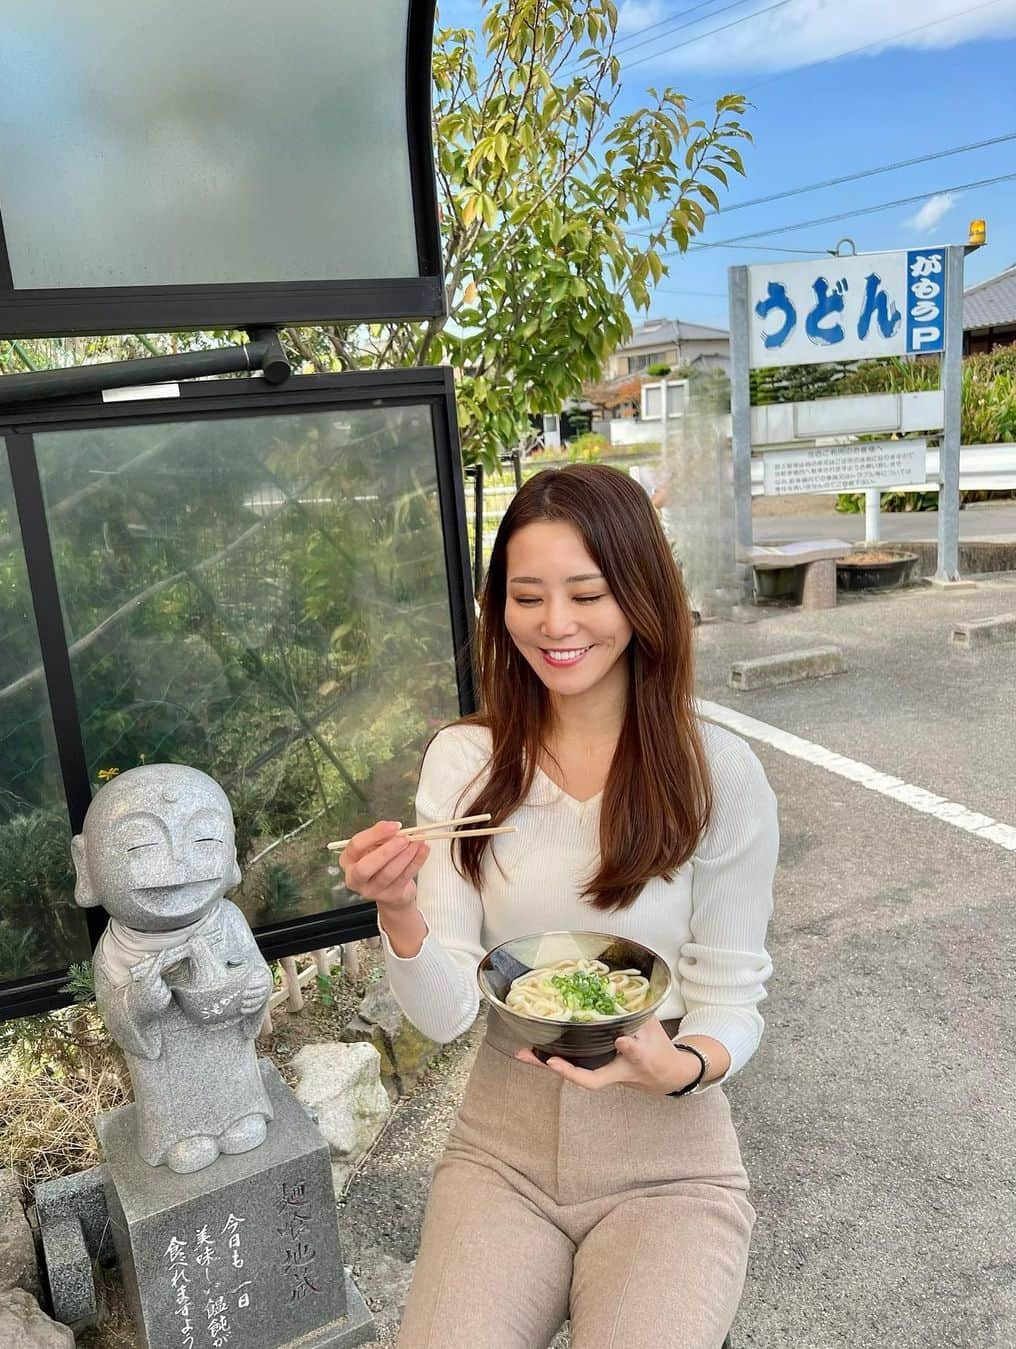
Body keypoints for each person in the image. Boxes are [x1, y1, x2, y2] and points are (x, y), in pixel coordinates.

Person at [339, 463, 778, 1348]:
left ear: (641, 596)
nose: (556, 624)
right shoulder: (466, 765)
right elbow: (449, 1010)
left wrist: (682, 1064)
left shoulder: (717, 773)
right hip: (502, 1151)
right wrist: (398, 911)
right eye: (527, 596)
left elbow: (732, 996)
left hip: (669, 1161)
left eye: (587, 592)